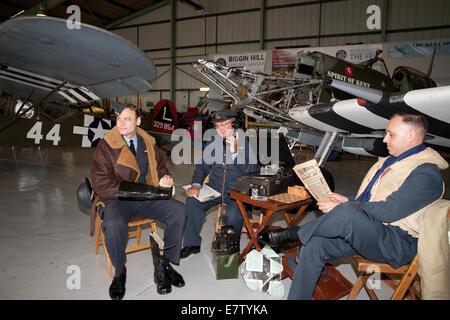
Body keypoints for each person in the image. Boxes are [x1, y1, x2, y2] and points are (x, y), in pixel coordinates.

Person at [258, 112, 448, 299]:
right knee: (314, 244)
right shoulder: (394, 161)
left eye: (391, 134)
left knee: (347, 214)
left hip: (396, 243)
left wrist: (347, 208)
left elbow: (389, 211)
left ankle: (292, 234)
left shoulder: (426, 173)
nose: (384, 139)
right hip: (372, 231)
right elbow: (373, 199)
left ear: (411, 135)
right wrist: (347, 200)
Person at [90, 103, 186, 299]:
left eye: (127, 118)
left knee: (179, 211)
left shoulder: (147, 142)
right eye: (118, 118)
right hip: (118, 199)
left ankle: (165, 263)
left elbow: (160, 168)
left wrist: (164, 180)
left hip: (147, 197)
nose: (121, 123)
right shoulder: (106, 145)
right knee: (114, 222)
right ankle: (119, 272)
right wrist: (136, 191)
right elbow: (100, 182)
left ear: (138, 121)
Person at [180, 109, 259, 258]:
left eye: (224, 124)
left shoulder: (246, 141)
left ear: (235, 123)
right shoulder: (213, 141)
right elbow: (202, 167)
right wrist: (196, 184)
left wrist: (236, 153)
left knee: (231, 216)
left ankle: (229, 248)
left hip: (238, 192)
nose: (220, 129)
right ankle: (192, 244)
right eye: (217, 126)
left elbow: (252, 170)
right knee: (192, 202)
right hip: (215, 188)